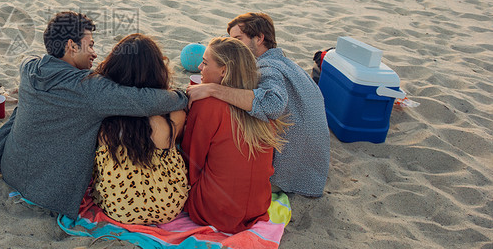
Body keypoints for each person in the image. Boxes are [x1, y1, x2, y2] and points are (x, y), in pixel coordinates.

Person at [0, 11, 188, 220]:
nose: (94, 52)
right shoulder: (88, 88)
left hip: (11, 169)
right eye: (90, 45)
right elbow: (145, 101)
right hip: (46, 191)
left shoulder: (29, 67)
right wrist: (183, 95)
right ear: (71, 46)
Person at [187, 12, 330, 197]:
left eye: (239, 39)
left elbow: (272, 105)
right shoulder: (288, 65)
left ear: (260, 38)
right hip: (312, 171)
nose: (235, 46)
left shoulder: (267, 69)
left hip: (287, 178)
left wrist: (214, 89)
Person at [182, 37, 285, 233]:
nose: (199, 66)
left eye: (205, 62)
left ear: (224, 71)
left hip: (214, 211)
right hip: (258, 206)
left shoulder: (207, 106)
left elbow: (192, 162)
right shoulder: (261, 108)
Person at [90, 34, 188, 225]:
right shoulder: (175, 113)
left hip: (119, 209)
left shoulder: (103, 115)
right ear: (158, 70)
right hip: (170, 206)